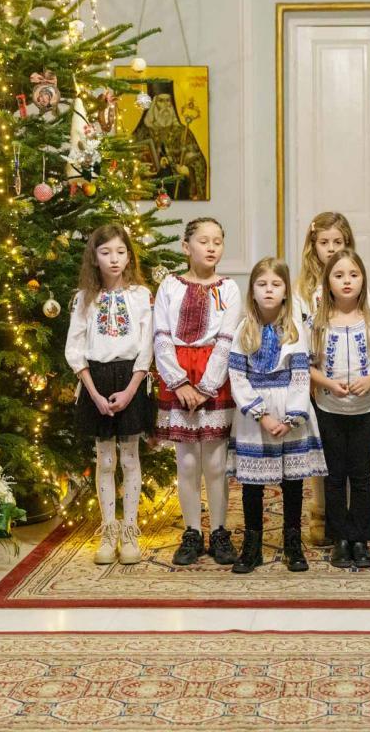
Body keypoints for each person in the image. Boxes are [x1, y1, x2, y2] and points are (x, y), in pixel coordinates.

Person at [227, 258, 328, 574]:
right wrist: (261, 415)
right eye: (262, 284)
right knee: (252, 484)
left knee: (292, 481)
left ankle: (292, 542)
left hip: (288, 412)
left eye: (275, 284)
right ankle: (252, 545)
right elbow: (237, 377)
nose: (269, 290)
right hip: (255, 416)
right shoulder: (243, 330)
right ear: (252, 291)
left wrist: (291, 417)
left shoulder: (295, 331)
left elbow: (300, 376)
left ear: (286, 291)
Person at [153, 218, 242, 566]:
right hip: (178, 376)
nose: (211, 247)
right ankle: (192, 531)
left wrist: (206, 386)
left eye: (217, 241)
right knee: (188, 461)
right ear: (185, 246)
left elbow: (227, 339)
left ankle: (219, 531)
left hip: (213, 377)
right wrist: (180, 383)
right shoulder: (169, 286)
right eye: (203, 241)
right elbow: (161, 336)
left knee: (216, 462)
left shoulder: (229, 289)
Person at [65, 224, 154, 567]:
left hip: (131, 377)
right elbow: (75, 348)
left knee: (129, 458)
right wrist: (94, 394)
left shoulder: (140, 295)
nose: (114, 259)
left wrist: (132, 389)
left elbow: (147, 345)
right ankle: (108, 531)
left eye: (120, 252)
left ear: (129, 256)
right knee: (104, 460)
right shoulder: (83, 299)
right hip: (96, 380)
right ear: (95, 257)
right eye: (106, 253)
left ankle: (130, 531)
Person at [308, 249, 370, 569]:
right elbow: (306, 365)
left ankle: (360, 538)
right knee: (334, 475)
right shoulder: (317, 323)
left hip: (366, 410)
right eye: (339, 275)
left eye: (353, 275)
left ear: (363, 281)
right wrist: (328, 384)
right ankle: (340, 538)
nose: (346, 281)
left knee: (361, 474)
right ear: (327, 282)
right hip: (329, 409)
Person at [293, 211, 356, 546]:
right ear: (312, 245)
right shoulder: (302, 289)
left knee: (346, 450)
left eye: (338, 242)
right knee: (319, 447)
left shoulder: (353, 280)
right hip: (313, 375)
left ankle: (345, 513)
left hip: (346, 377)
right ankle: (319, 510)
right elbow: (296, 332)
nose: (331, 249)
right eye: (324, 242)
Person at [132, 78, 207, 201]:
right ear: (153, 104)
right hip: (149, 196)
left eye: (168, 101)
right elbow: (126, 161)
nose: (166, 106)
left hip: (179, 195)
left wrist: (188, 171)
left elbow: (200, 164)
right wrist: (139, 169)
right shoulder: (141, 133)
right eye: (161, 101)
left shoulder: (183, 133)